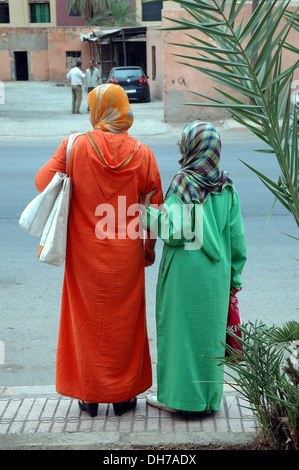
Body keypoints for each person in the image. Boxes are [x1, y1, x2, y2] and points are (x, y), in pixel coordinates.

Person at [35, 84, 163, 417]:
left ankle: (89, 396)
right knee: (125, 324)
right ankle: (122, 397)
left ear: (97, 109)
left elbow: (42, 182)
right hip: (127, 258)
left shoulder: (75, 145)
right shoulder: (143, 153)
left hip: (84, 257)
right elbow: (154, 207)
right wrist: (148, 250)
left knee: (86, 323)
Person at [140, 121, 247, 414]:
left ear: (191, 147)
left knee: (181, 337)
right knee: (209, 338)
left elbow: (175, 230)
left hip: (186, 275)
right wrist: (235, 275)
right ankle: (209, 401)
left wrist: (145, 211)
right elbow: (236, 238)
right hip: (217, 276)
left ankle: (181, 401)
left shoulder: (184, 182)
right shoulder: (227, 186)